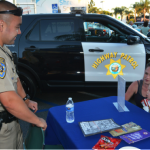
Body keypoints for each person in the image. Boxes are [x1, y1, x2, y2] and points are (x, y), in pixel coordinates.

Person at [0, 1, 47, 149]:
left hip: (11, 123)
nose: (19, 32)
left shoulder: (4, 50)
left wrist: (26, 100)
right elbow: (8, 100)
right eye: (17, 27)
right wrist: (37, 120)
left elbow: (15, 78)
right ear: (1, 26)